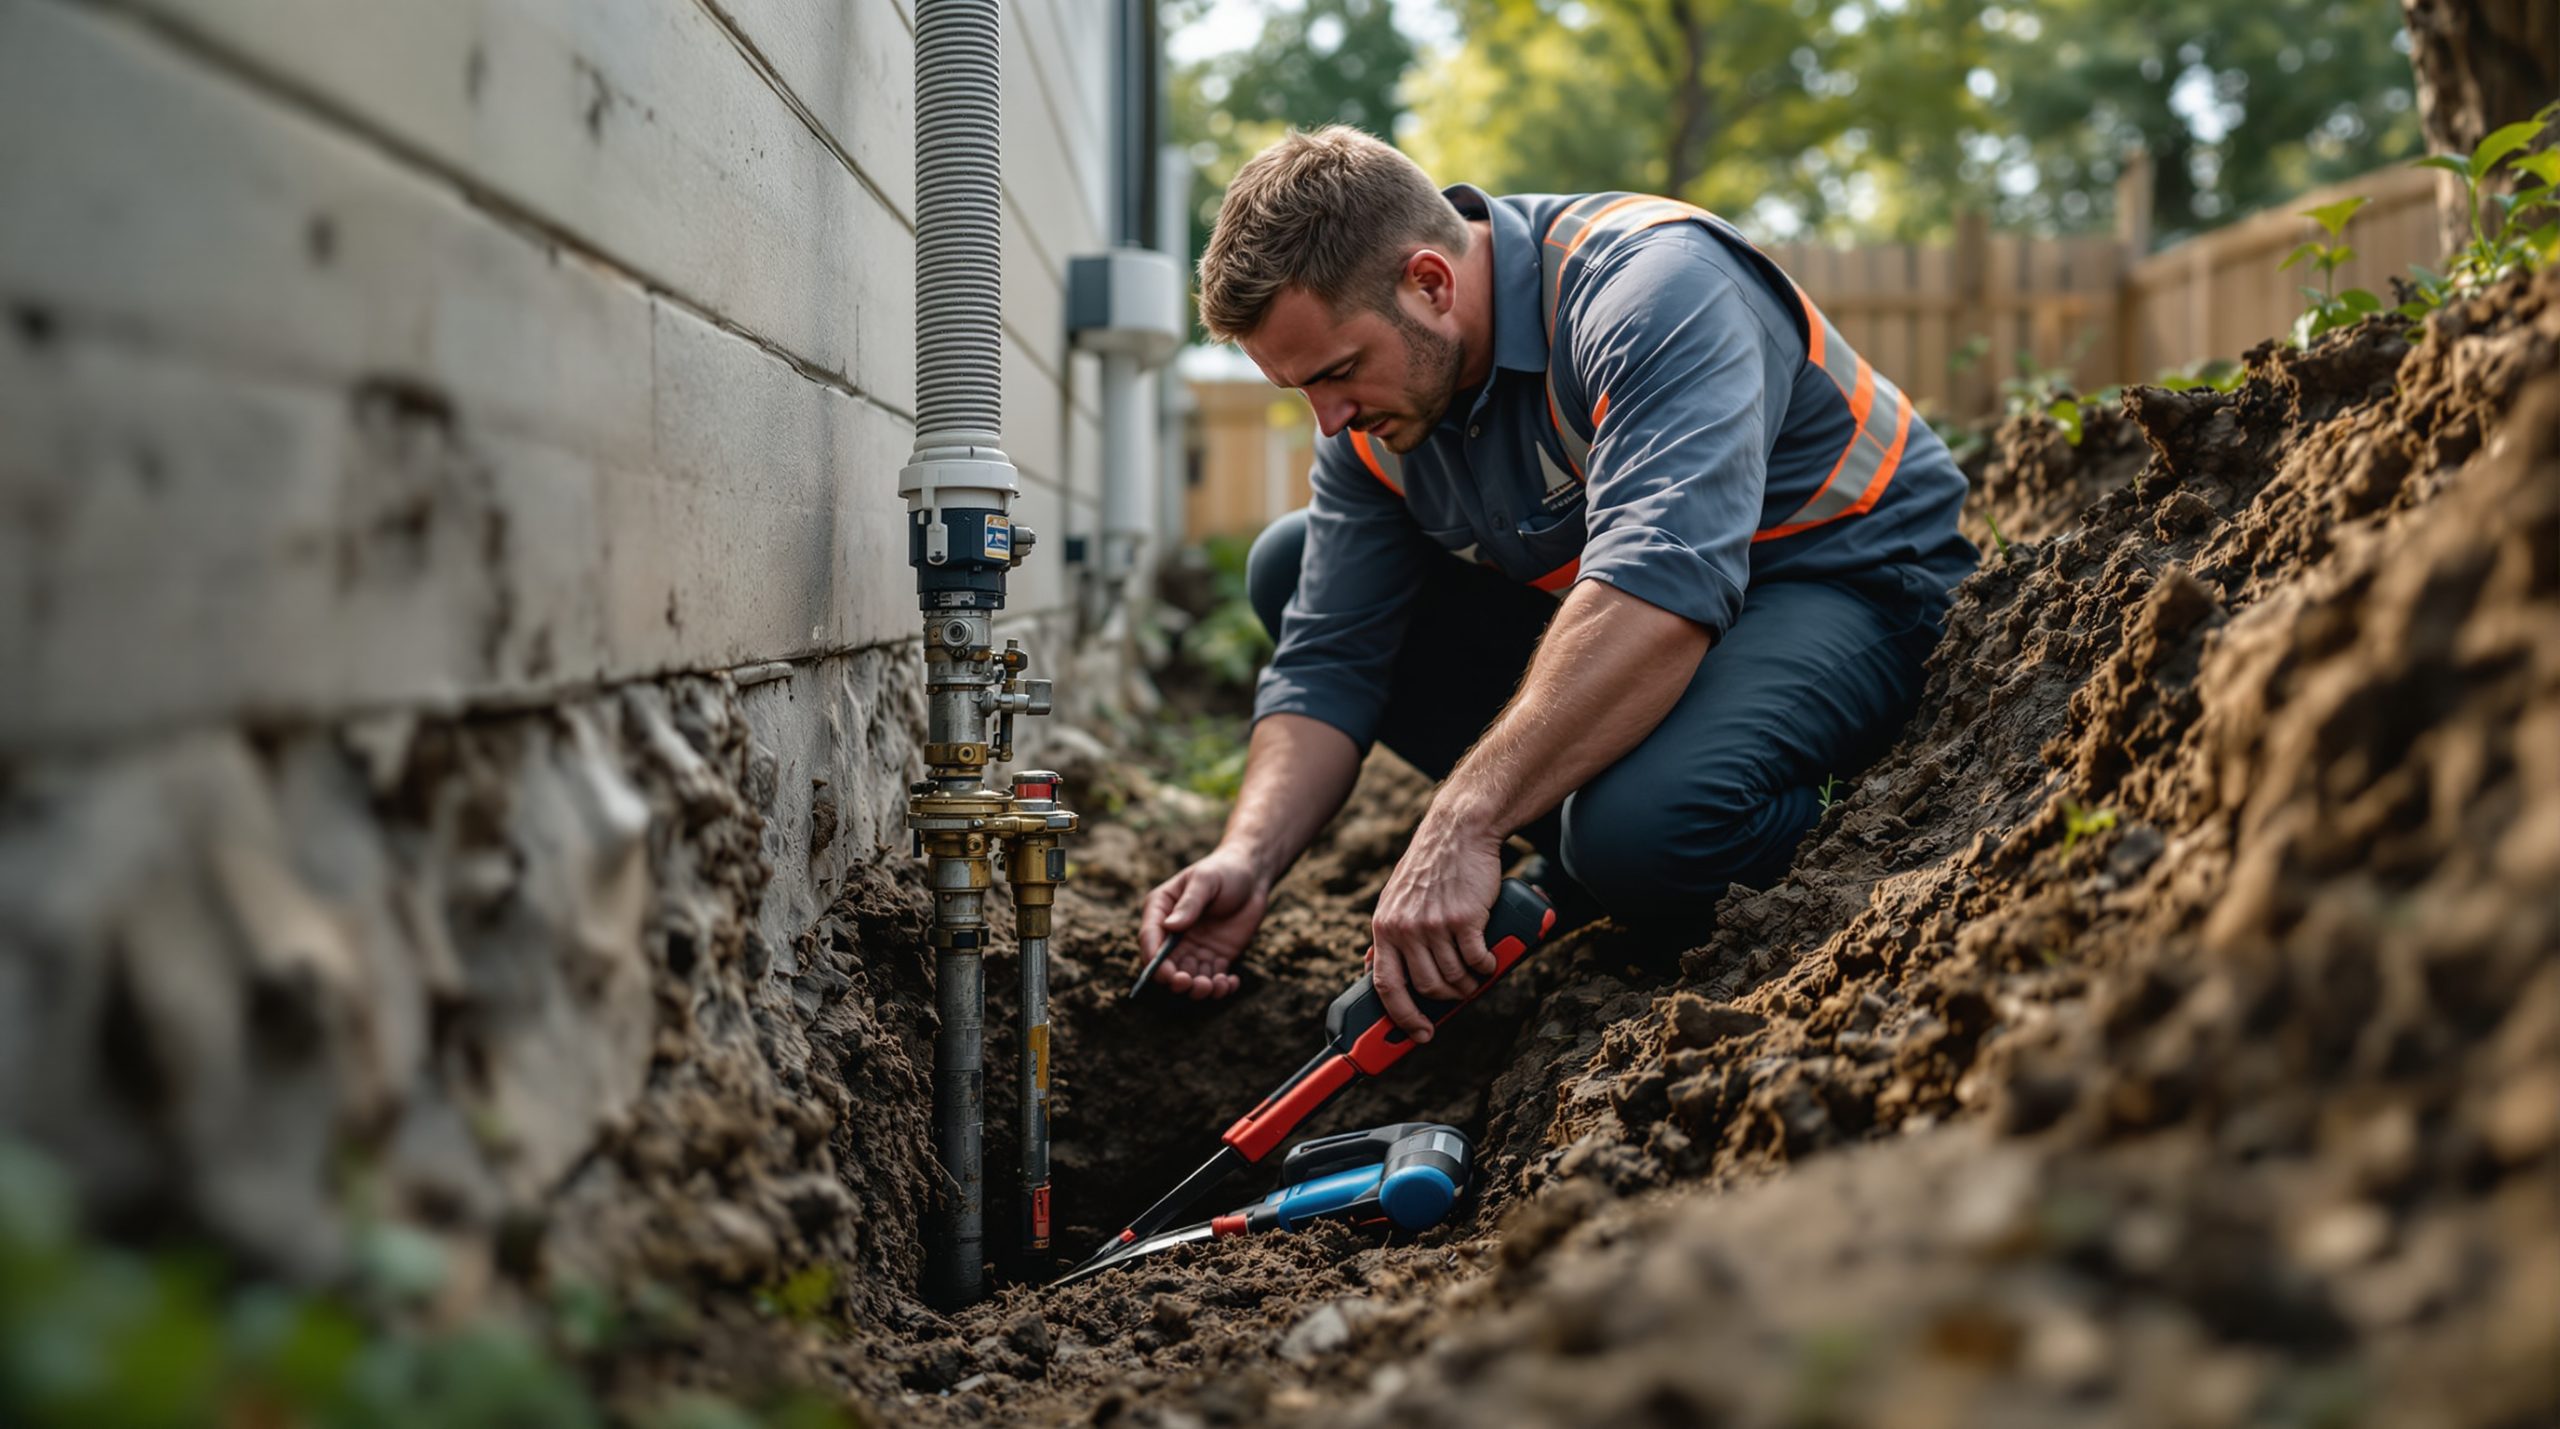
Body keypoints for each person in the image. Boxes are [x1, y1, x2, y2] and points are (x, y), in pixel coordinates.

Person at [1139, 126, 1976, 1041]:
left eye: (1338, 373)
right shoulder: (1382, 417)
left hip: (1845, 578)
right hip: (1658, 615)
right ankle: (1595, 842)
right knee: (1290, 566)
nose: (1329, 422)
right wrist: (1249, 858)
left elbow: (1660, 583)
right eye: (1301, 390)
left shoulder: (1654, 289)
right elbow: (1329, 656)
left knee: (1646, 837)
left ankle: (1829, 819)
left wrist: (1463, 821)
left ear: (1430, 282)